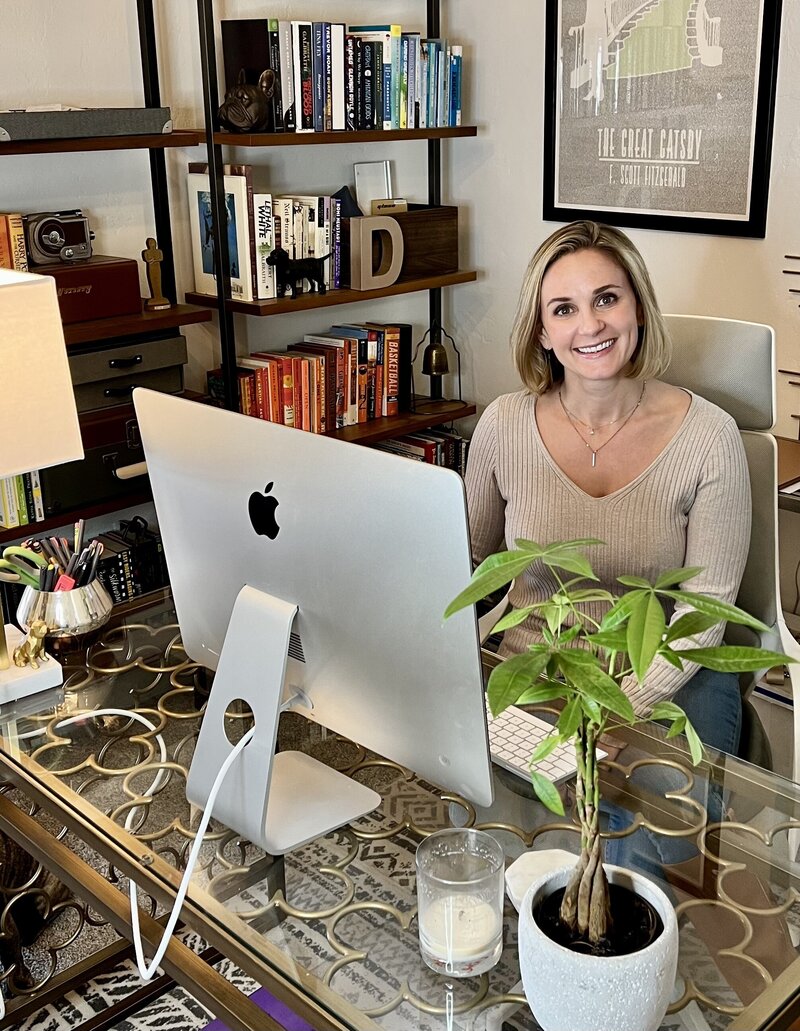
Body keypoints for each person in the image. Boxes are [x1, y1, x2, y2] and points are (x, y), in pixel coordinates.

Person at [466, 220, 749, 869]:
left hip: (669, 676)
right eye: (563, 308)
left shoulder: (710, 436)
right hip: (539, 664)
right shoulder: (503, 424)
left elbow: (704, 613)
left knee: (644, 849)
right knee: (467, 820)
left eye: (606, 298)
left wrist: (621, 710)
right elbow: (473, 565)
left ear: (638, 307)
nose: (589, 324)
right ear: (541, 331)